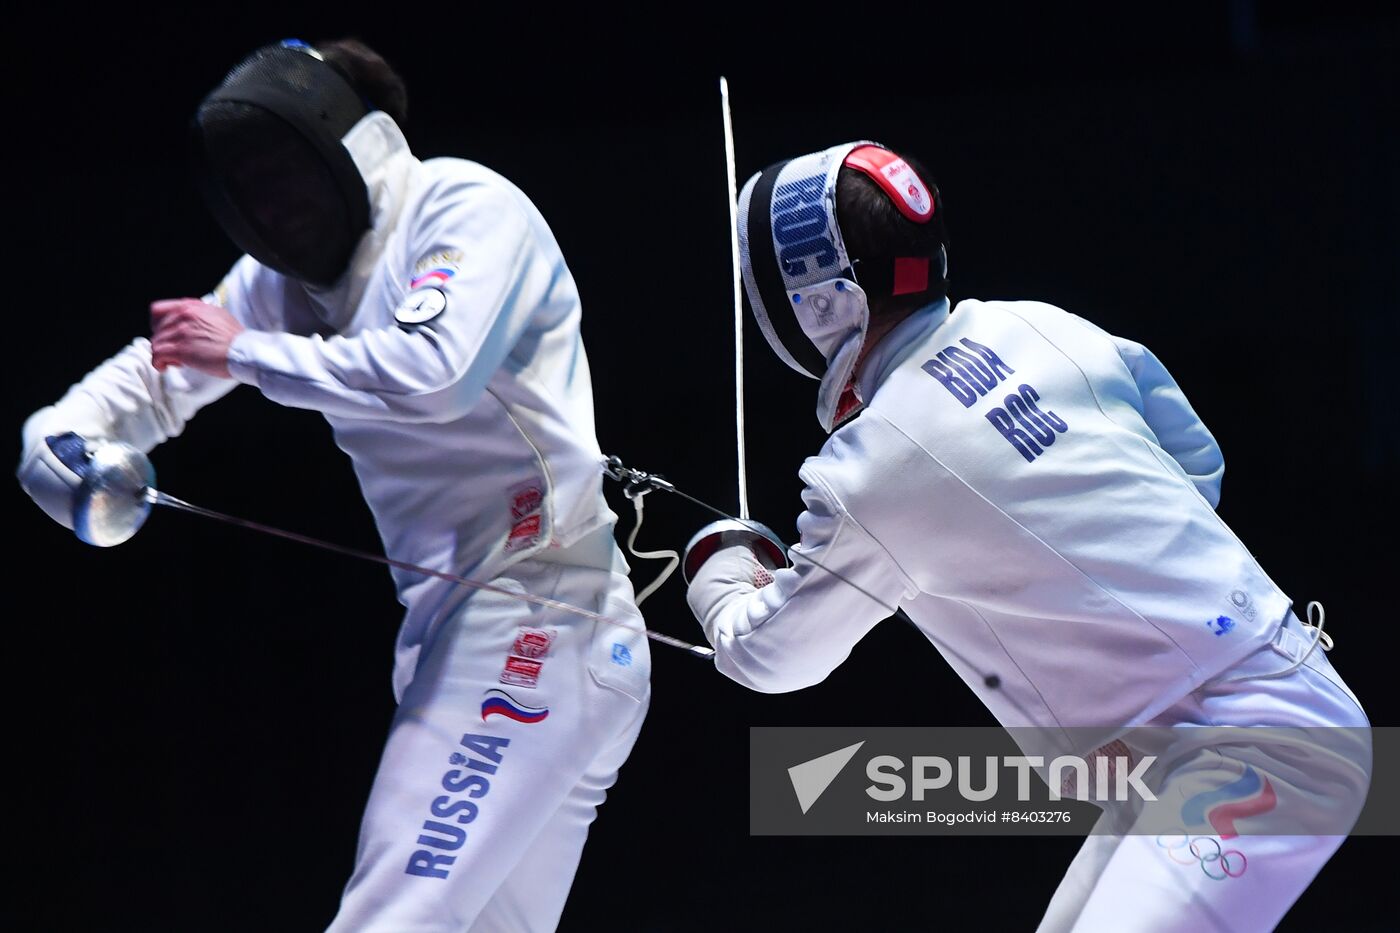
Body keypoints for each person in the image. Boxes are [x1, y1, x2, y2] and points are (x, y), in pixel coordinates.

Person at [17, 38, 650, 932]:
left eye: (285, 172)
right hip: (479, 636)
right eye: (249, 189)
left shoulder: (461, 205)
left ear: (345, 144)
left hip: (539, 612)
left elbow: (433, 374)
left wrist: (239, 351)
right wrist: (56, 447)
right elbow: (147, 383)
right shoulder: (283, 288)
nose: (273, 206)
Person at [683, 141, 1371, 931]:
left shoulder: (869, 468)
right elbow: (1195, 467)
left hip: (1256, 743)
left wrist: (721, 561)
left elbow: (768, 654)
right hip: (1225, 727)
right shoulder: (1042, 327)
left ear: (818, 303)